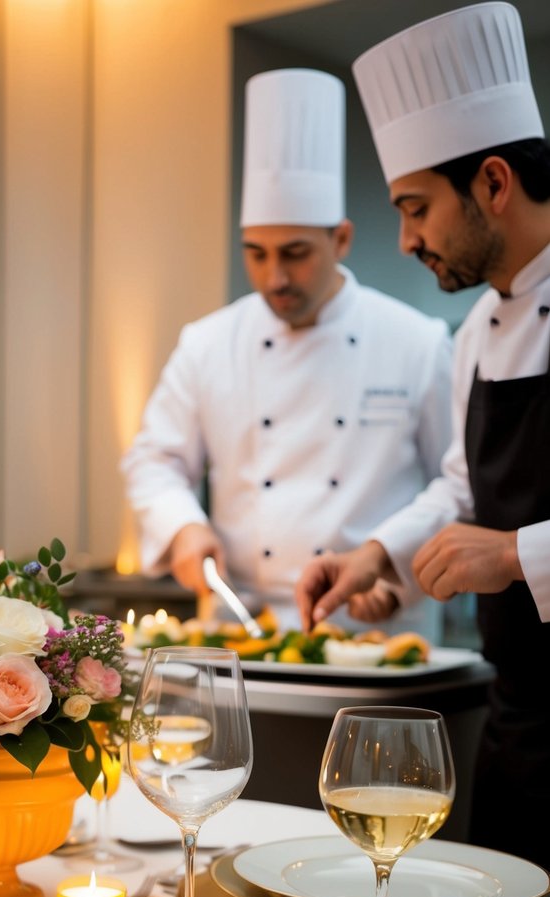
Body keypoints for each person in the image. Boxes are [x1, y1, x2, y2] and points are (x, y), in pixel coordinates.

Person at [295, 2, 550, 863]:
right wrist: (379, 553)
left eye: (414, 208)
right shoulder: (478, 328)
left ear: (491, 182)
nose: (404, 240)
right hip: (519, 725)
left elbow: (499, 534)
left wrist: (516, 555)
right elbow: (460, 488)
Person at [120, 67, 452, 636]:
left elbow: (458, 484)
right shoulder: (207, 344)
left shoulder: (417, 342)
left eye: (295, 253)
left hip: (373, 632)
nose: (275, 278)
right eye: (256, 253)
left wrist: (396, 573)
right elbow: (154, 461)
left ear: (340, 239)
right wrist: (182, 528)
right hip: (237, 629)